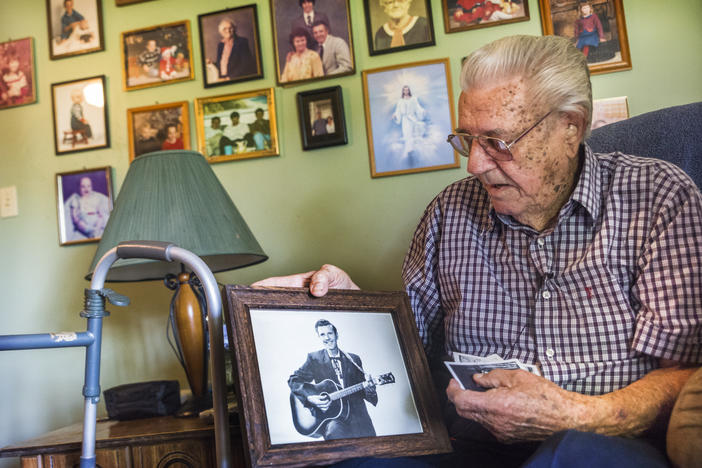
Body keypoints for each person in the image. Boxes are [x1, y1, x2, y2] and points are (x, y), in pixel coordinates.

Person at [254, 35, 702, 467]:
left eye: (498, 142)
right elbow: (405, 352)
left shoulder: (658, 198)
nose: (475, 164)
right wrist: (353, 306)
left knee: (571, 456)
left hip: (601, 444)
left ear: (571, 128)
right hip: (466, 445)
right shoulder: (449, 213)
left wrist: (574, 416)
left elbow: (685, 375)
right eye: (468, 139)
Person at [288, 319, 378, 440]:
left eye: (330, 333)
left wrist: (370, 390)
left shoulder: (354, 359)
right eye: (322, 335)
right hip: (333, 417)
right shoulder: (314, 358)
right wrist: (309, 398)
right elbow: (293, 380)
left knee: (370, 449)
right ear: (319, 337)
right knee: (335, 440)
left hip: (359, 417)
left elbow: (365, 392)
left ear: (336, 335)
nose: (327, 338)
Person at [66, 176, 109, 240]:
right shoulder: (77, 199)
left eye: (89, 186)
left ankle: (96, 232)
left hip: (95, 217)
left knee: (101, 220)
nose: (86, 189)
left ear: (91, 187)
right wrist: (76, 220)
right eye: (83, 186)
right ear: (78, 188)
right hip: (84, 218)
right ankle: (89, 233)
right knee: (81, 225)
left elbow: (99, 209)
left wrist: (100, 215)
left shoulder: (95, 198)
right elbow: (74, 214)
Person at [392, 85, 425, 159]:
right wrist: (395, 115)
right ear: (403, 91)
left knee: (412, 133)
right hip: (405, 119)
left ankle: (411, 149)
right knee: (406, 134)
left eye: (407, 90)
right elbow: (398, 110)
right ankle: (409, 150)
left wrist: (422, 111)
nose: (406, 91)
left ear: (409, 91)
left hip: (412, 118)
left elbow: (417, 107)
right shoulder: (400, 101)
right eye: (404, 90)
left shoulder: (413, 99)